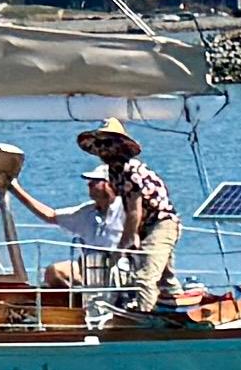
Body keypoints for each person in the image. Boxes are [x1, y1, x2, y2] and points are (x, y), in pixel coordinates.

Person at [75, 117, 181, 312]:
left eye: (108, 144)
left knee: (145, 276)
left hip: (160, 223)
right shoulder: (114, 172)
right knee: (165, 277)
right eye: (98, 145)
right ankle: (177, 309)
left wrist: (126, 241)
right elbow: (126, 207)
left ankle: (143, 322)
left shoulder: (130, 170)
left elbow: (134, 209)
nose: (103, 150)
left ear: (120, 146)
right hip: (147, 226)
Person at [8, 163, 125, 297]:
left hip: (118, 267)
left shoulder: (126, 210)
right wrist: (15, 189)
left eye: (95, 182)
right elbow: (50, 215)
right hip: (89, 267)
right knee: (54, 272)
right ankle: (77, 303)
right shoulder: (86, 212)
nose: (89, 185)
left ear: (109, 185)